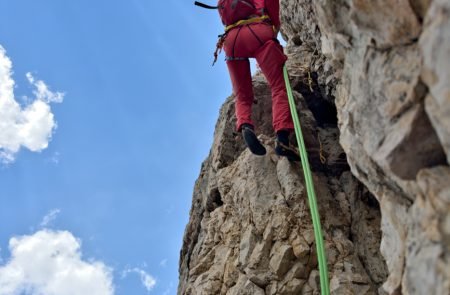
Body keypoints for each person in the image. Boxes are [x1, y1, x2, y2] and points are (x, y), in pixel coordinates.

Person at [221, 0, 299, 160]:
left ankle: (245, 125)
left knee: (242, 95)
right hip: (257, 31)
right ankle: (282, 139)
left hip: (231, 41)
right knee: (278, 87)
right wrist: (275, 27)